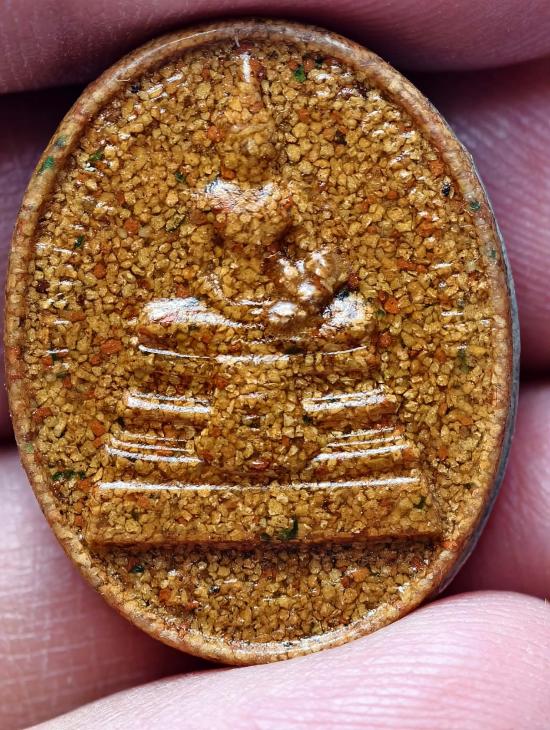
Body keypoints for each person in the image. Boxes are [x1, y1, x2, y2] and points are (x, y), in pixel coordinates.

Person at [0, 1, 549, 728]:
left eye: (260, 136)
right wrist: (239, 307)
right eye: (242, 136)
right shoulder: (212, 198)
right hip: (220, 310)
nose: (252, 146)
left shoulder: (287, 195)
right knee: (160, 321)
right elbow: (200, 275)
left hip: (288, 312)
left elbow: (300, 265)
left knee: (351, 322)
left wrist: (311, 293)